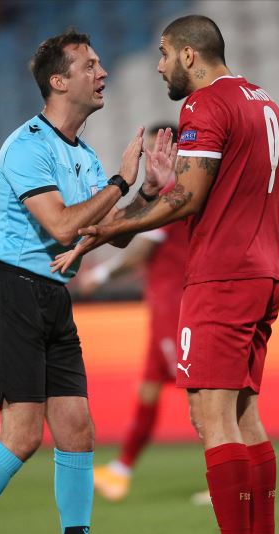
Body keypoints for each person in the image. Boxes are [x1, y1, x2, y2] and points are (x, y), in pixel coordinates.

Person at [0, 29, 175, 534]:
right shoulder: (26, 147)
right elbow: (65, 227)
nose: (103, 72)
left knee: (77, 432)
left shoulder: (80, 155)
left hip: (51, 299)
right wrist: (120, 180)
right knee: (20, 437)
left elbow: (102, 235)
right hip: (12, 293)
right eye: (90, 65)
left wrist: (147, 196)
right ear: (59, 81)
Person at [52, 15, 279, 534]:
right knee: (241, 415)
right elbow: (202, 188)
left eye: (162, 54)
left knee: (208, 416)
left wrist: (105, 227)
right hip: (263, 269)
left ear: (189, 55)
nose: (157, 66)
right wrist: (161, 188)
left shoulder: (205, 105)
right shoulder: (263, 102)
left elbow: (190, 197)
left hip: (221, 276)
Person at [82, 124, 190, 501]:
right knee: (147, 389)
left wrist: (101, 273)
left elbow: (141, 250)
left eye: (154, 152)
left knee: (202, 395)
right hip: (163, 305)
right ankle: (122, 468)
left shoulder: (173, 192)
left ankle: (228, 478)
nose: (150, 161)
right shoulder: (175, 190)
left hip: (177, 309)